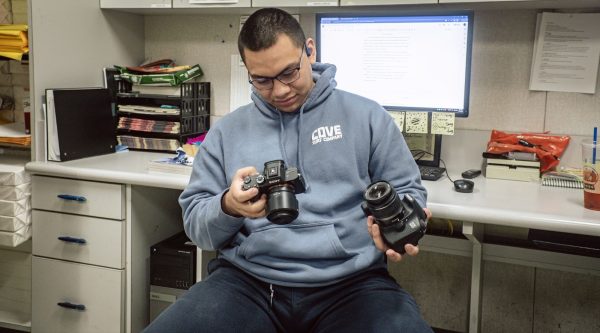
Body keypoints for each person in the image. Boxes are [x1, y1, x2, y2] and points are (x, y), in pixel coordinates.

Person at [143, 7, 433, 333]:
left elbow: (409, 191)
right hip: (248, 282)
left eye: (289, 72)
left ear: (310, 50)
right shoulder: (228, 131)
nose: (279, 91)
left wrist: (398, 224)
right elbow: (197, 227)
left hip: (352, 284)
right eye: (262, 80)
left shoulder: (367, 117)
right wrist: (228, 206)